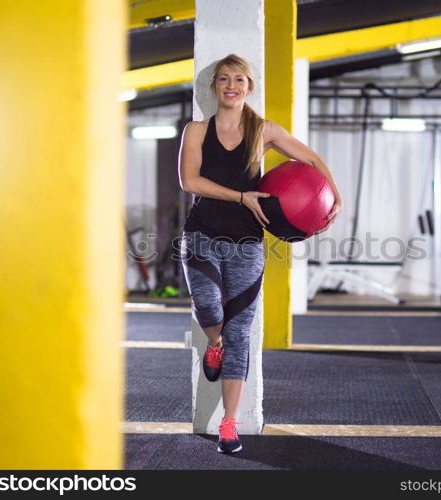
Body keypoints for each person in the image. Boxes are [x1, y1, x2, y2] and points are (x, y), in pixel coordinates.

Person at [178, 53, 342, 454]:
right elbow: (190, 180)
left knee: (240, 332)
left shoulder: (264, 131)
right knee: (209, 309)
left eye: (240, 80)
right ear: (215, 86)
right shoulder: (197, 130)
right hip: (201, 235)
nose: (232, 86)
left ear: (249, 87)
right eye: (224, 79)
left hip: (247, 243)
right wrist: (241, 196)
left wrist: (335, 196)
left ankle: (229, 423)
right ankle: (212, 345)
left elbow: (312, 159)